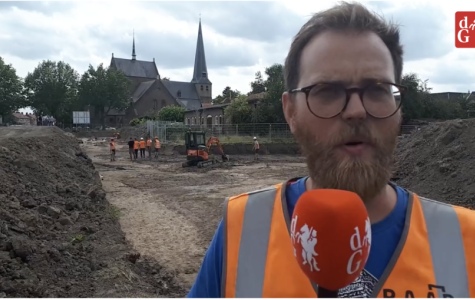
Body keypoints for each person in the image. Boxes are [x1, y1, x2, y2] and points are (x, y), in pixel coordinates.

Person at [187, 2, 475, 298]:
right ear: (290, 112)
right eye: (327, 91)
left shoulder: (466, 240)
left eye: (377, 89)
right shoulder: (242, 229)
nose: (356, 111)